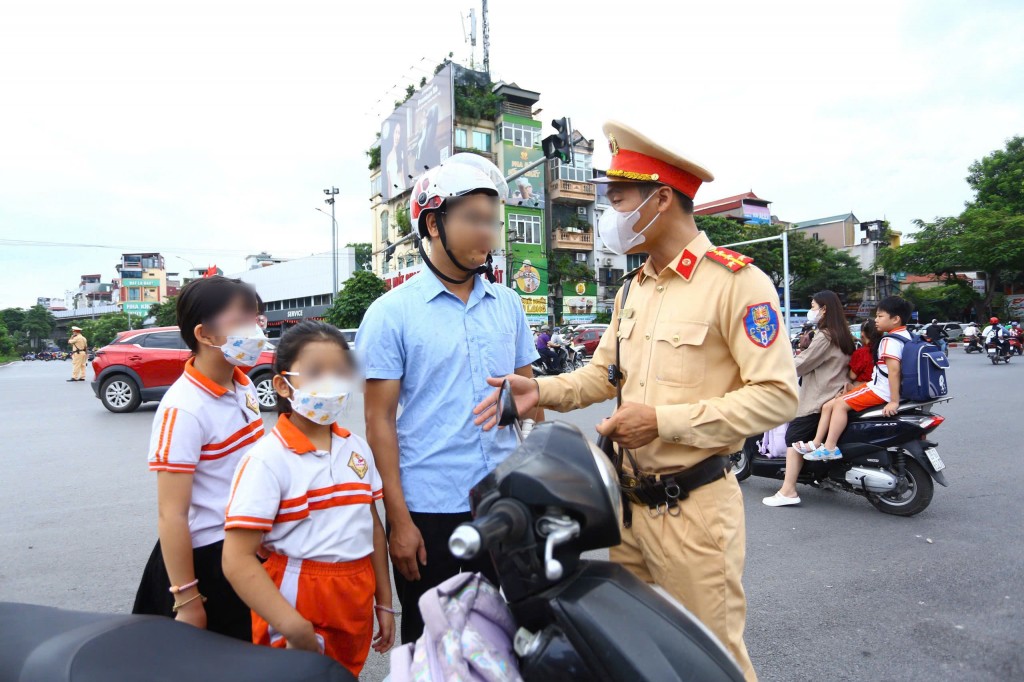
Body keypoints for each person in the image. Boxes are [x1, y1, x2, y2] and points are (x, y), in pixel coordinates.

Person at [473, 121, 798, 681]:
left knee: (709, 661)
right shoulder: (633, 288)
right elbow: (602, 376)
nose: (610, 215)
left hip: (695, 512)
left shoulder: (736, 283)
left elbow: (777, 397)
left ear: (661, 199)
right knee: (636, 661)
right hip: (627, 513)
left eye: (618, 199)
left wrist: (663, 422)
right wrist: (540, 390)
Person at [358, 152, 540, 644]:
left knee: (509, 639)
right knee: (437, 650)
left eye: (493, 222)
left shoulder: (508, 304)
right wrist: (400, 521)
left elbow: (528, 400)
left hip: (504, 501)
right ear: (433, 224)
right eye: (474, 219)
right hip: (432, 510)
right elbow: (379, 423)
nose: (488, 233)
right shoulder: (390, 313)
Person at [222, 321, 394, 675]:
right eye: (315, 372)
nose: (330, 384)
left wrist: (385, 601)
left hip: (356, 595)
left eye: (340, 372)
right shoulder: (267, 459)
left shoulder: (356, 448)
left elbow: (372, 525)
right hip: (298, 597)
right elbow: (237, 558)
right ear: (283, 384)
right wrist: (292, 625)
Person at [132, 276, 268, 640]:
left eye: (256, 318)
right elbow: (171, 514)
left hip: (249, 546)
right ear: (205, 335)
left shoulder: (243, 383)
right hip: (210, 560)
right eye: (241, 321)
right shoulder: (184, 409)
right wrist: (188, 599)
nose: (255, 329)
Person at [763, 291, 856, 507]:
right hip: (837, 393)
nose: (811, 310)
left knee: (794, 438)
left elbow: (804, 362)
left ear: (824, 309)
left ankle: (788, 491)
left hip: (819, 396)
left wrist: (773, 368)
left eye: (813, 306)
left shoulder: (825, 336)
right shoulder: (845, 334)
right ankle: (823, 478)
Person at [803, 296, 913, 461]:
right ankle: (818, 443)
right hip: (878, 387)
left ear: (895, 319)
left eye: (880, 316)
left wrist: (893, 401)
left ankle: (830, 447)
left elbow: (894, 371)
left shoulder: (890, 340)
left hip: (881, 391)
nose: (876, 320)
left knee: (839, 404)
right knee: (830, 404)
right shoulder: (905, 335)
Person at [847, 318, 878, 385]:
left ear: (862, 334)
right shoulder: (881, 348)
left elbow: (852, 376)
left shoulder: (861, 352)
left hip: (862, 386)